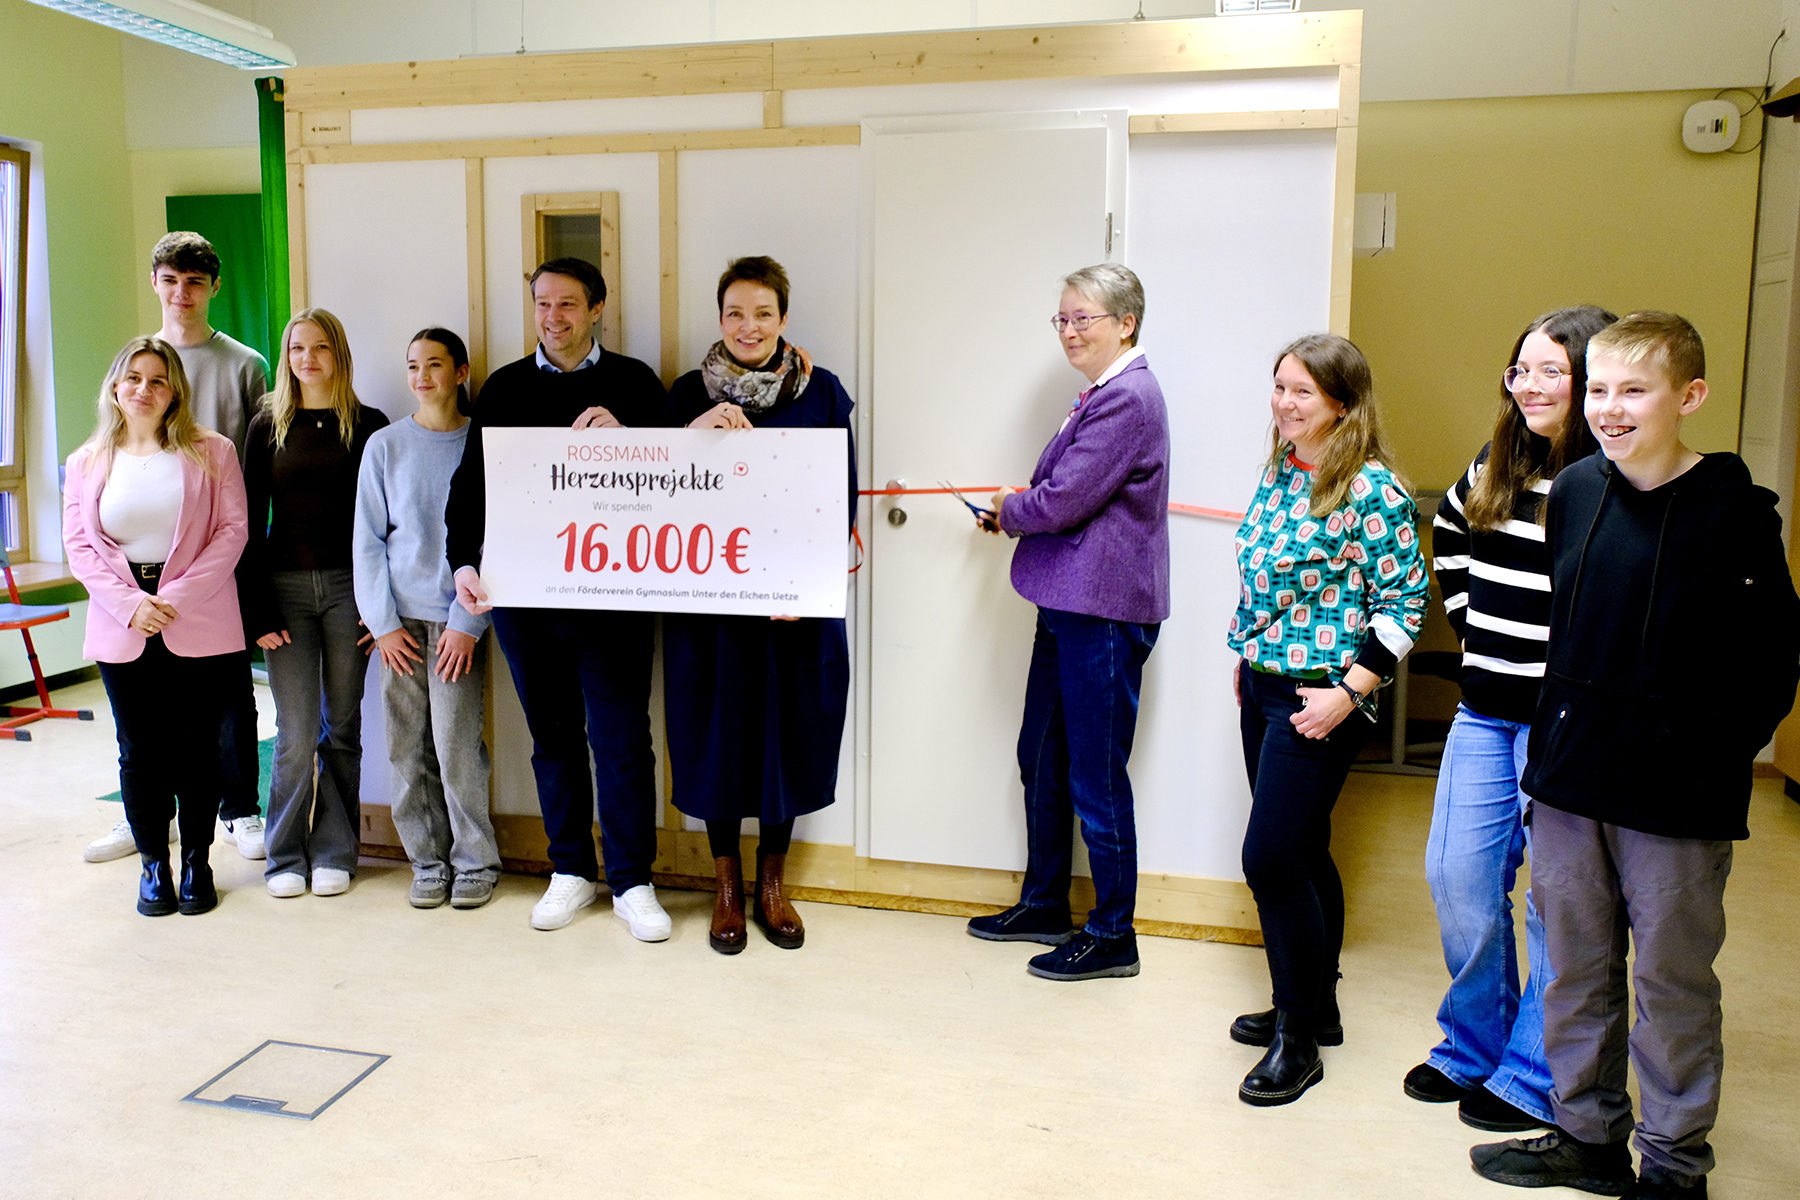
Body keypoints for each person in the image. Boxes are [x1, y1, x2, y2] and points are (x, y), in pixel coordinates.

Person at [1472, 313, 1800, 1198]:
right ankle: (1586, 1137)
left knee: (1669, 985)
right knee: (1576, 974)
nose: (1611, 409)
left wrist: (1705, 752)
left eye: (1635, 391)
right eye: (1600, 390)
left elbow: (1773, 664)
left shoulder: (1736, 516)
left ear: (1689, 397)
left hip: (1676, 799)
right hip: (1572, 782)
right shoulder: (1578, 489)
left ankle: (1673, 1166)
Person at [1408, 307, 1616, 1134]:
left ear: (1590, 381)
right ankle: (1474, 1045)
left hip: (1564, 723)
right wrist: (1474, 627)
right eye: (1519, 370)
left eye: (1549, 371)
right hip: (1484, 711)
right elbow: (1449, 536)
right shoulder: (1497, 460)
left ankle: (1532, 1072)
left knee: (1554, 903)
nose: (1528, 386)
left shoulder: (1610, 478)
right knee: (1457, 878)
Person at [1226, 333, 1429, 1107]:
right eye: (1279, 386)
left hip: (1322, 699)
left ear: (1342, 404)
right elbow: (1265, 579)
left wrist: (1350, 691)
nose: (1284, 403)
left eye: (1302, 391)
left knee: (1272, 861)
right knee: (1303, 852)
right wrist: (1249, 656)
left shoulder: (1371, 488)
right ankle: (1317, 1006)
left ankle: (1298, 1040)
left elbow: (1406, 603)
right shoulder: (1284, 468)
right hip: (1265, 684)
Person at [446, 256, 672, 939]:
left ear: (597, 308)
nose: (553, 317)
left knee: (623, 742)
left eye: (568, 304)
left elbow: (677, 483)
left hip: (615, 603)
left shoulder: (635, 383)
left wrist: (630, 444)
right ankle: (570, 870)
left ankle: (632, 881)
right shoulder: (505, 387)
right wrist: (463, 563)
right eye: (542, 303)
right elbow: (472, 486)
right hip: (526, 603)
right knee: (553, 740)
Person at [963, 263, 1169, 983]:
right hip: (1068, 605)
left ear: (1126, 323)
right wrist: (1018, 509)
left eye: (1084, 318)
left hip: (1101, 612)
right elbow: (1062, 494)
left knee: (1096, 777)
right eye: (1063, 319)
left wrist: (1009, 510)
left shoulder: (1128, 398)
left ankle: (1113, 935)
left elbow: (1063, 499)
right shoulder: (1102, 393)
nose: (1071, 331)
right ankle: (1046, 903)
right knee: (1041, 756)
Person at [663, 256, 856, 954]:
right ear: (720, 319)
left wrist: (804, 586)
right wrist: (695, 433)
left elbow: (839, 498)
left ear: (783, 319)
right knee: (717, 738)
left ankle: (772, 884)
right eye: (735, 314)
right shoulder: (687, 393)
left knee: (789, 737)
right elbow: (657, 494)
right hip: (711, 611)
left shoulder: (821, 391)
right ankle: (725, 886)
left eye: (763, 314)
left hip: (792, 613)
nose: (749, 326)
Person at [82, 231, 270, 865]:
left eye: (194, 282)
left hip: (216, 556)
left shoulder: (245, 365)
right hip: (134, 578)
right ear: (155, 284)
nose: (182, 293)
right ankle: (147, 820)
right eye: (171, 280)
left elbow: (252, 473)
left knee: (226, 702)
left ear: (213, 287)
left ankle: (238, 809)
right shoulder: (140, 364)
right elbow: (88, 526)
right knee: (142, 718)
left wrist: (218, 568)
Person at [62, 337, 248, 915]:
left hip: (197, 611)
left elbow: (233, 532)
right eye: (134, 378)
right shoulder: (85, 461)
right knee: (138, 749)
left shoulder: (212, 451)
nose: (144, 389)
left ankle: (196, 862)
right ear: (116, 387)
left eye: (158, 380)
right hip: (121, 619)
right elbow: (79, 546)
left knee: (198, 746)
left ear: (175, 393)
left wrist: (172, 599)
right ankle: (152, 865)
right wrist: (130, 604)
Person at [242, 308, 388, 899]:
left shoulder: (369, 425)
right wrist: (256, 609)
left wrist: (378, 606)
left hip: (352, 590)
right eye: (297, 348)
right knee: (297, 733)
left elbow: (385, 523)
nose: (308, 358)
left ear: (339, 354)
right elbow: (247, 524)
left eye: (320, 347)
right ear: (286, 357)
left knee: (343, 727)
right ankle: (284, 855)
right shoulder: (266, 426)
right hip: (285, 594)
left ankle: (334, 850)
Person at [354, 328, 499, 910]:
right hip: (400, 626)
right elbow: (367, 541)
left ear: (460, 373)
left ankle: (475, 860)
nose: (422, 376)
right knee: (406, 749)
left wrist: (467, 624)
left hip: (457, 624)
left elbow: (495, 540)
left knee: (456, 746)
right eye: (413, 365)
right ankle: (427, 860)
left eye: (435, 365)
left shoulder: (483, 444)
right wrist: (383, 624)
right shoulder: (385, 446)